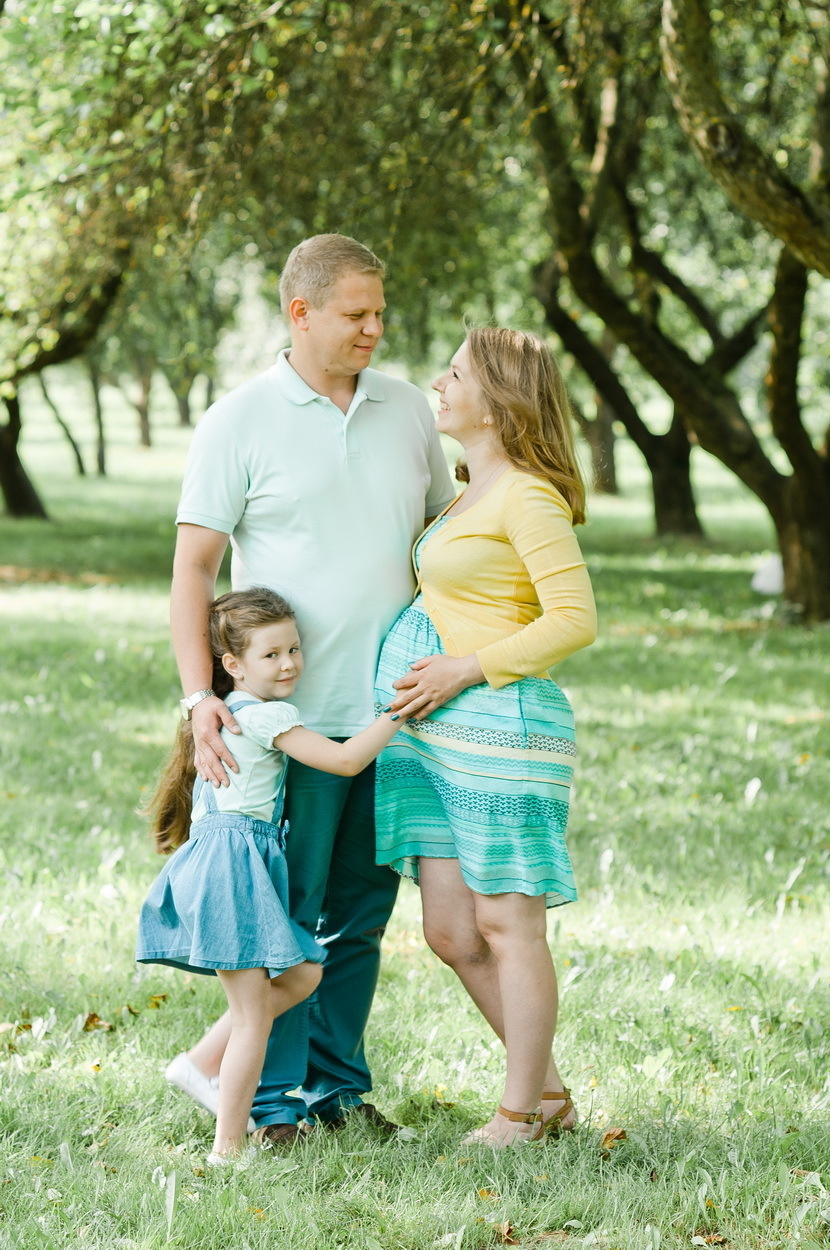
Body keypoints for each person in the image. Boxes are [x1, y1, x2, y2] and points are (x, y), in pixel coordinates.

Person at [166, 234, 455, 1144]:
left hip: (395, 716)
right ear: (301, 314)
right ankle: (273, 1100)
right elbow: (193, 570)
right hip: (287, 726)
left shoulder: (408, 409)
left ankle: (337, 1090)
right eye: (355, 314)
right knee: (285, 923)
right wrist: (197, 696)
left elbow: (446, 531)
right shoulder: (238, 420)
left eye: (381, 313)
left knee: (363, 915)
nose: (375, 328)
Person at [376, 327, 597, 1147]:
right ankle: (549, 1097)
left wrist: (464, 669)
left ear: (499, 403)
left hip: (500, 729)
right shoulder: (468, 493)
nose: (440, 382)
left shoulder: (527, 497)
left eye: (457, 373)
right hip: (434, 743)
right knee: (450, 931)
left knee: (509, 926)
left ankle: (518, 1115)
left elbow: (575, 620)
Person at [137, 588, 407, 1164]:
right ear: (232, 665)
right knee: (253, 1016)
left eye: (294, 649)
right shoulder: (263, 716)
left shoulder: (222, 712)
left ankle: (198, 1065)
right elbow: (344, 760)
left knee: (304, 973)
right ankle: (227, 1148)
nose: (288, 664)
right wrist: (398, 714)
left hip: (225, 861)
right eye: (271, 655)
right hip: (234, 867)